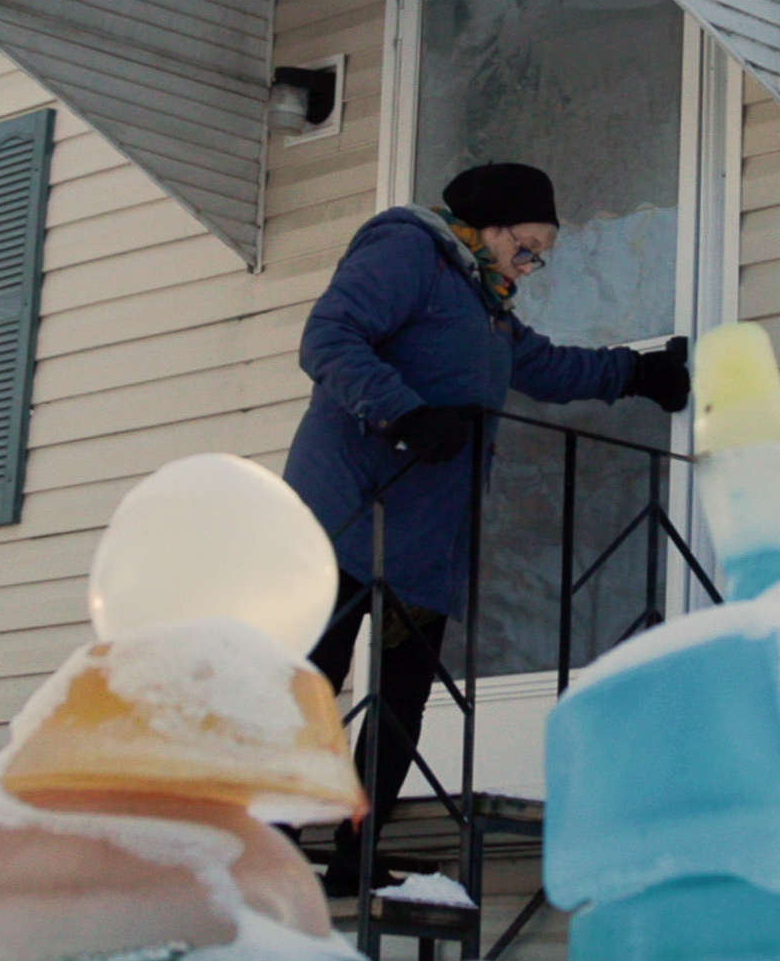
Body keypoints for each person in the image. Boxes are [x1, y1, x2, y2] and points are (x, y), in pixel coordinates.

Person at [284, 161, 690, 884]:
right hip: (346, 512)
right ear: (490, 225)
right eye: (526, 247)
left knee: (402, 692)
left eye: (541, 256)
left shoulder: (485, 305)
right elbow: (329, 337)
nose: (529, 266)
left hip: (420, 538)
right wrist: (403, 412)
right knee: (318, 674)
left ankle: (357, 848)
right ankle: (271, 839)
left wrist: (638, 373)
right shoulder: (410, 252)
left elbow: (547, 368)